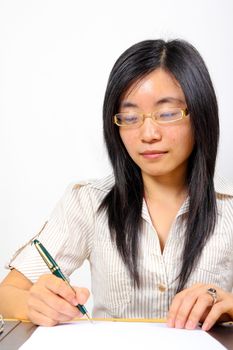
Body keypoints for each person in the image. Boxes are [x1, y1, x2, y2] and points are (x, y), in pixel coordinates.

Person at [0, 39, 233, 331]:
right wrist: (33, 303)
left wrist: (229, 305)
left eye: (167, 113)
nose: (148, 134)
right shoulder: (88, 202)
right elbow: (6, 294)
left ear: (200, 114)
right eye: (131, 117)